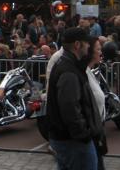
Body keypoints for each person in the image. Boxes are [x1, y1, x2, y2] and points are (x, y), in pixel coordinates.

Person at [46, 27, 102, 170]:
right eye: (86, 43)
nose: (88, 46)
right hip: (72, 141)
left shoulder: (68, 65)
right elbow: (69, 107)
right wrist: (83, 134)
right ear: (77, 45)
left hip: (69, 139)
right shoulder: (68, 71)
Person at [85, 37, 107, 170]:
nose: (101, 52)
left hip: (96, 128)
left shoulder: (90, 72)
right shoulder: (83, 73)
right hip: (89, 132)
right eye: (98, 49)